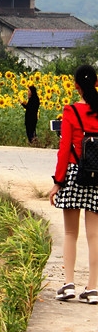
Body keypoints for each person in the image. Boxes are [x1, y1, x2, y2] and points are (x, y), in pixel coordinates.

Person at [48, 64, 98, 304]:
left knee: (70, 232)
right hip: (97, 176)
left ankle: (68, 284)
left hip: (73, 173)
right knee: (94, 235)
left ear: (76, 86)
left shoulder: (70, 111)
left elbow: (64, 147)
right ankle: (93, 288)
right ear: (96, 84)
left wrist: (58, 182)